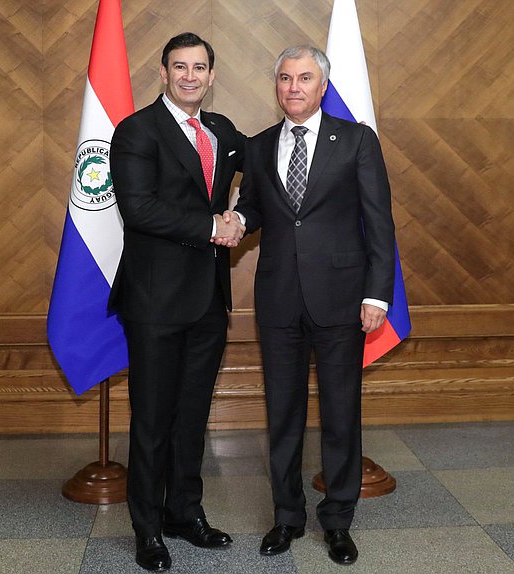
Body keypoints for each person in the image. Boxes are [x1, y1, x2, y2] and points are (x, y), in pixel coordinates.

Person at [228, 45, 395, 566]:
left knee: (342, 412)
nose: (294, 87)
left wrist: (377, 293)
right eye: (285, 78)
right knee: (283, 414)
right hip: (278, 298)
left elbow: (379, 222)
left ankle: (338, 521)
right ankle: (287, 517)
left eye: (304, 78)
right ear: (275, 86)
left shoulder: (356, 141)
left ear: (323, 86)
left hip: (343, 299)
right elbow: (253, 207)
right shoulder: (258, 147)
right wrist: (235, 222)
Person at [109, 32, 245, 572]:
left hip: (209, 300)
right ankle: (147, 528)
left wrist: (243, 216)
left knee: (192, 415)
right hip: (155, 301)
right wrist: (214, 225)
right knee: (152, 418)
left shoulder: (222, 130)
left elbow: (256, 170)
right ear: (162, 74)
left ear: (212, 76)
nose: (190, 76)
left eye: (200, 67)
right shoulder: (137, 131)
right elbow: (139, 209)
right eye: (179, 67)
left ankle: (184, 514)